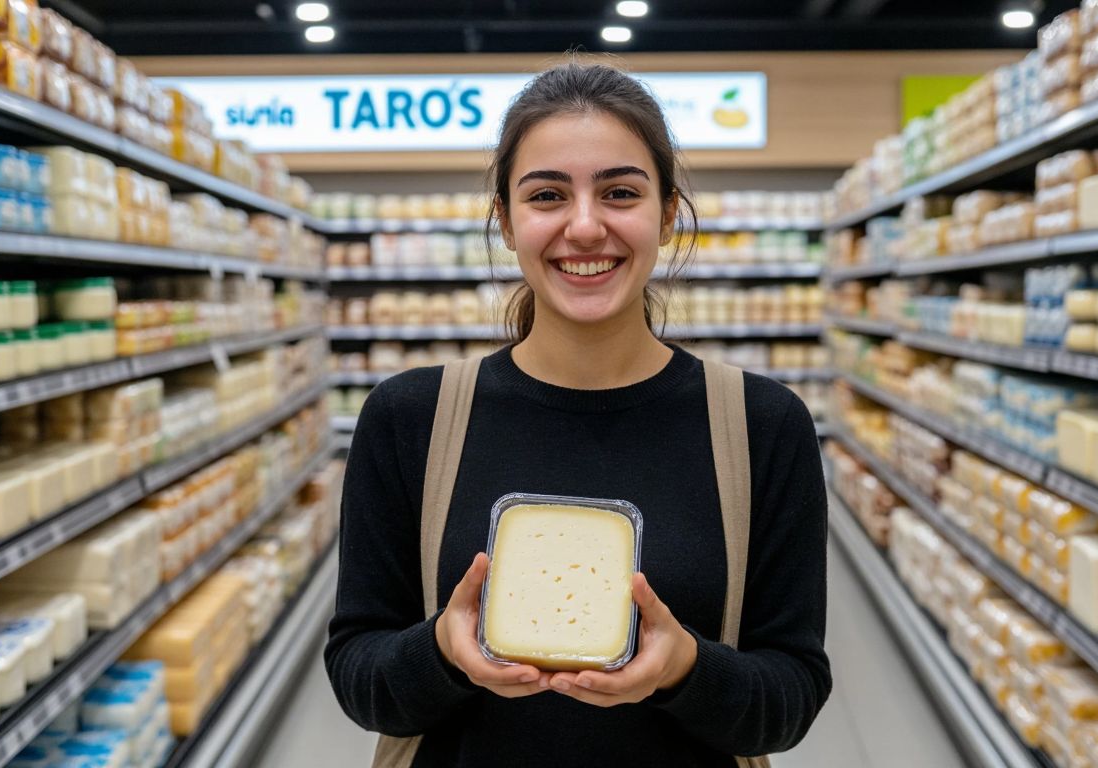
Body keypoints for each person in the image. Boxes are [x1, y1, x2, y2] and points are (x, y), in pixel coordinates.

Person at [325, 58, 831, 767]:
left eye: (620, 191)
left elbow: (793, 695)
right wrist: (442, 649)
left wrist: (684, 667)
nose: (585, 227)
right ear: (505, 219)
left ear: (665, 213)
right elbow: (359, 677)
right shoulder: (411, 418)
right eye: (547, 195)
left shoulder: (761, 425)